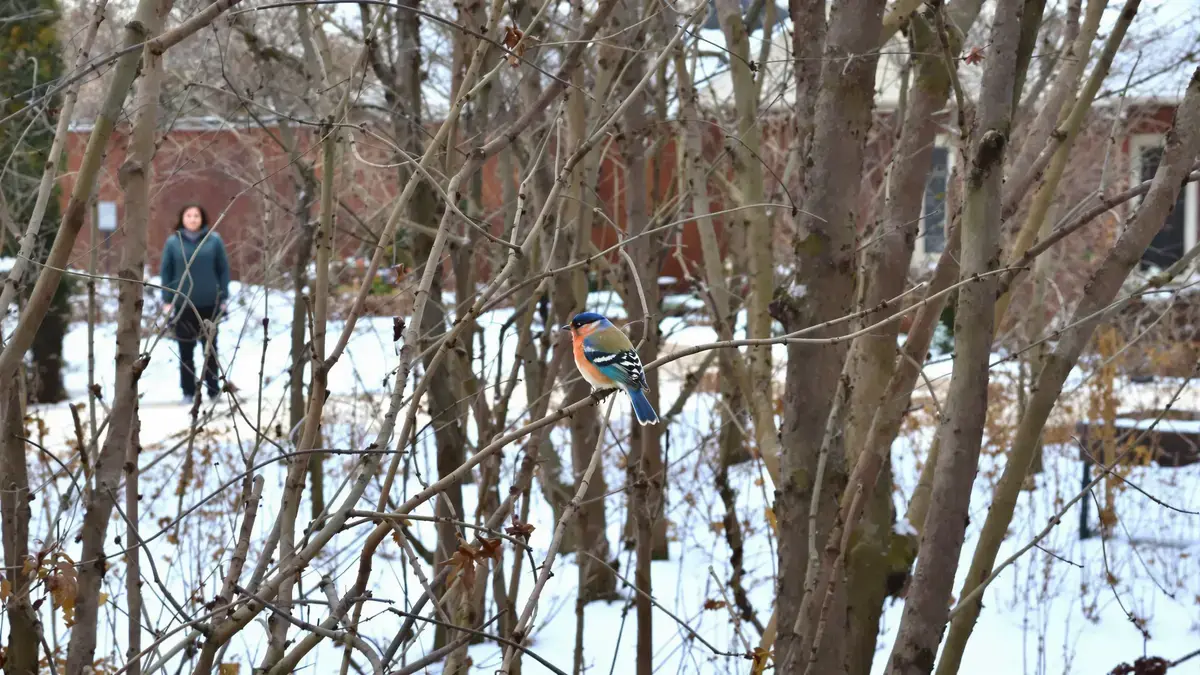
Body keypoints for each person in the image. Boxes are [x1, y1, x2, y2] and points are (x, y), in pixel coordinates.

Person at [160, 204, 230, 404]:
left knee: (210, 349)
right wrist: (167, 300)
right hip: (183, 304)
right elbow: (166, 272)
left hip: (210, 303)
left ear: (203, 218)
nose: (192, 219)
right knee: (185, 350)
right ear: (182, 218)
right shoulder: (174, 242)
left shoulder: (214, 241)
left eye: (196, 215)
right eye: (188, 215)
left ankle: (213, 390)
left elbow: (223, 270)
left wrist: (223, 296)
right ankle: (188, 391)